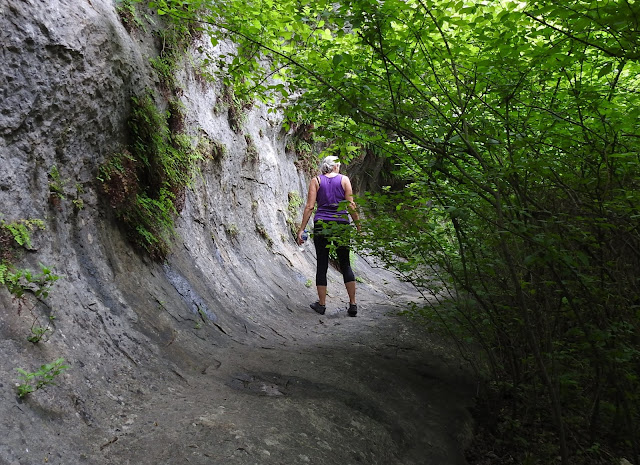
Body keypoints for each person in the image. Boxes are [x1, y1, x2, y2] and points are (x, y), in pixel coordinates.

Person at [297, 155, 361, 317]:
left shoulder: (316, 181)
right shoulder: (344, 180)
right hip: (341, 225)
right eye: (338, 165)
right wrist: (359, 226)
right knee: (345, 263)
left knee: (322, 264)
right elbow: (351, 205)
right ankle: (353, 304)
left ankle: (322, 305)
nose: (339, 168)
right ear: (334, 166)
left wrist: (301, 229)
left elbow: (310, 206)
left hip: (322, 224)